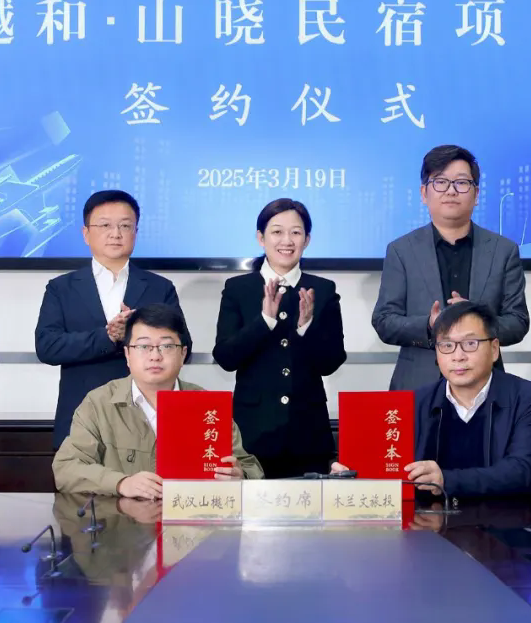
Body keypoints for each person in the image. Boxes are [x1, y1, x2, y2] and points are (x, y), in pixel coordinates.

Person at [334, 301, 531, 500]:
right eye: (446, 345)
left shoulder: (527, 398)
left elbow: (524, 472)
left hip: (507, 521)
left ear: (494, 349)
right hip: (429, 521)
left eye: (470, 343)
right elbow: (392, 472)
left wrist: (446, 480)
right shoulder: (415, 402)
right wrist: (354, 475)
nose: (458, 356)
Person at [53, 303, 264, 496]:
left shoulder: (207, 405)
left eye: (166, 346)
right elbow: (66, 468)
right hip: (121, 523)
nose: (155, 356)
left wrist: (239, 477)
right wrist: (121, 483)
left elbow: (250, 468)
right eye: (143, 346)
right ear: (127, 355)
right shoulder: (99, 403)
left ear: (183, 354)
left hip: (191, 521)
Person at [36, 190, 186, 449]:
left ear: (135, 232)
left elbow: (185, 347)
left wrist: (139, 334)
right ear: (86, 234)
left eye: (125, 226)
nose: (116, 233)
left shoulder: (160, 288)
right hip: (82, 416)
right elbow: (47, 347)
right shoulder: (61, 288)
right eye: (105, 225)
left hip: (148, 419)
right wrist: (107, 336)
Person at [372, 145, 529, 390]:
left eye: (462, 182)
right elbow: (384, 321)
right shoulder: (401, 250)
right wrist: (429, 324)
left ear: (476, 194)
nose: (451, 191)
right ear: (424, 193)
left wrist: (476, 323)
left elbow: (518, 322)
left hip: (485, 387)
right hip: (417, 385)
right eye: (440, 182)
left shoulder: (503, 251)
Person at [212, 199, 346, 479]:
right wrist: (264, 322)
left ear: (307, 240)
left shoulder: (322, 289)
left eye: (296, 232)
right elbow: (225, 357)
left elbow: (331, 362)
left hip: (307, 432)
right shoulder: (238, 288)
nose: (287, 240)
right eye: (277, 232)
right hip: (252, 432)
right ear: (261, 238)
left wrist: (306, 328)